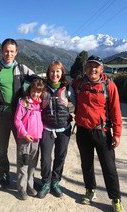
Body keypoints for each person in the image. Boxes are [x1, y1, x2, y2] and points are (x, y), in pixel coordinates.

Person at [72, 55, 124, 212]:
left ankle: (116, 199)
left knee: (109, 167)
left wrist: (117, 133)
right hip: (82, 131)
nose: (92, 69)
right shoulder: (78, 84)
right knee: (86, 164)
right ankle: (90, 190)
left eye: (96, 66)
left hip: (102, 132)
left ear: (101, 69)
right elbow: (61, 86)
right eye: (89, 66)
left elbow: (116, 111)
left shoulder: (109, 86)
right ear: (85, 69)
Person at [0, 38, 34, 189]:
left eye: (12, 51)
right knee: (1, 149)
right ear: (1, 51)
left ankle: (23, 179)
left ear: (16, 52)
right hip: (1, 115)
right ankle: (4, 177)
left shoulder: (22, 68)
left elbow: (37, 82)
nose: (9, 54)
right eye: (6, 50)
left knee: (22, 149)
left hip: (20, 115)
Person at [38, 61, 75, 199]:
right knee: (46, 158)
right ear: (48, 73)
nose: (55, 74)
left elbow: (78, 105)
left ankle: (55, 182)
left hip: (64, 129)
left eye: (58, 71)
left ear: (62, 73)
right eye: (52, 71)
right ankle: (46, 182)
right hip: (47, 128)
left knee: (60, 157)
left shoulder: (68, 89)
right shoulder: (43, 88)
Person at [14, 79, 45, 200]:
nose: (36, 94)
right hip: (25, 139)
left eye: (39, 92)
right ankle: (21, 188)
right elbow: (17, 120)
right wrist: (24, 134)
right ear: (30, 89)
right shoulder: (23, 103)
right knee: (23, 163)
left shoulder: (39, 104)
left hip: (36, 139)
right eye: (34, 91)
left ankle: (30, 185)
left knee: (33, 164)